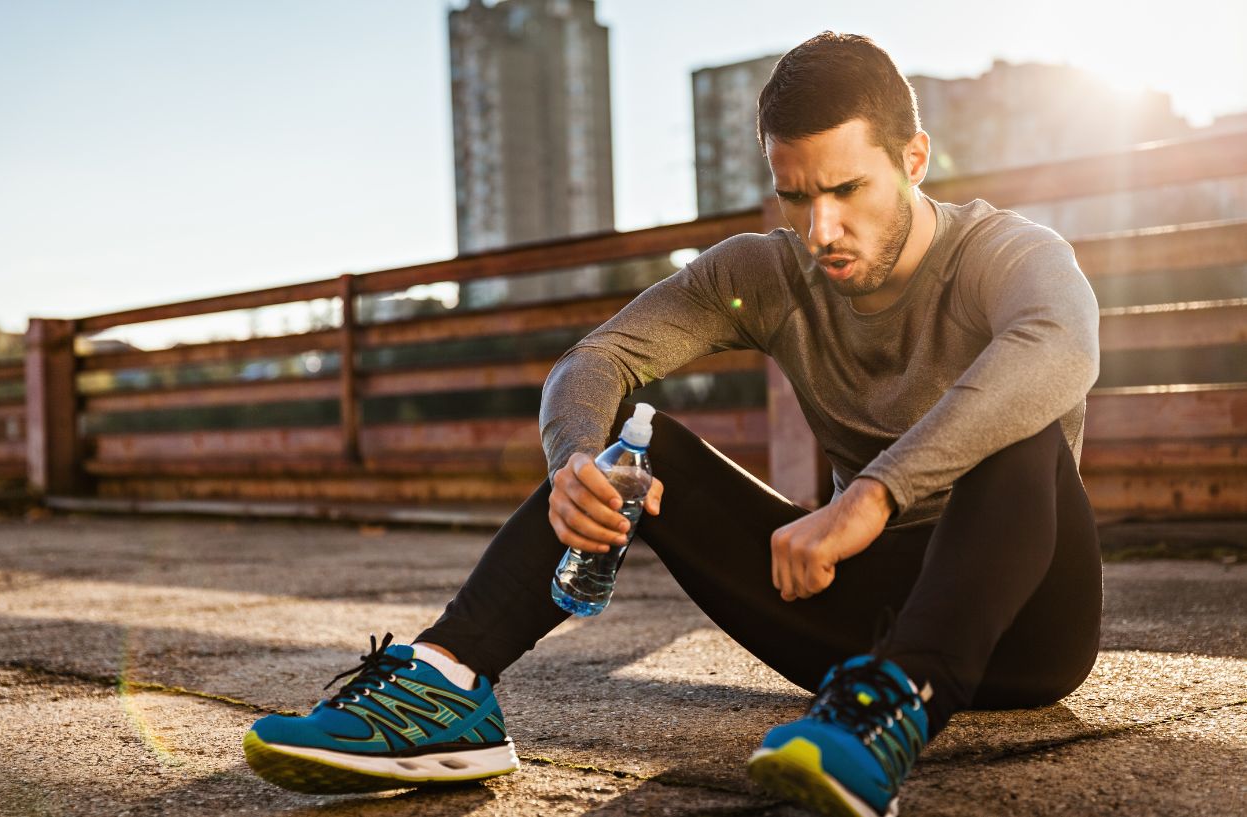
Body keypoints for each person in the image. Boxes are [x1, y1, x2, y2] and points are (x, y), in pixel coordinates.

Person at [242, 31, 1102, 817]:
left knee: (1018, 421)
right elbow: (596, 359)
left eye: (848, 189)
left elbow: (1056, 346)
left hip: (1027, 625)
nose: (821, 230)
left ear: (914, 158)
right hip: (850, 622)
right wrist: (576, 460)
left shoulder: (1007, 255)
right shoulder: (766, 273)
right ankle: (446, 683)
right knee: (640, 444)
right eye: (797, 196)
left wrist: (872, 495)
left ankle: (896, 705)